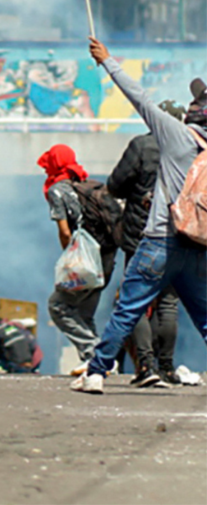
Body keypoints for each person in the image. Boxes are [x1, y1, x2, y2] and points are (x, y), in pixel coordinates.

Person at [73, 38, 207, 394]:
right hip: (197, 246)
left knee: (127, 309)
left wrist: (107, 61)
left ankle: (97, 373)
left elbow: (139, 97)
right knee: (203, 318)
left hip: (160, 241)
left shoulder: (175, 135)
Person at [107, 104, 185, 387]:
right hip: (179, 236)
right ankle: (167, 368)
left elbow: (115, 185)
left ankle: (146, 366)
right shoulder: (194, 148)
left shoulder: (141, 145)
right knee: (167, 304)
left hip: (142, 236)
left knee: (135, 300)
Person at [37, 144, 113, 372]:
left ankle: (96, 355)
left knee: (58, 306)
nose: (44, 169)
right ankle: (95, 363)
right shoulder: (88, 186)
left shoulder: (57, 190)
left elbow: (65, 231)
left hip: (84, 260)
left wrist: (70, 259)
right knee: (84, 313)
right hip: (107, 257)